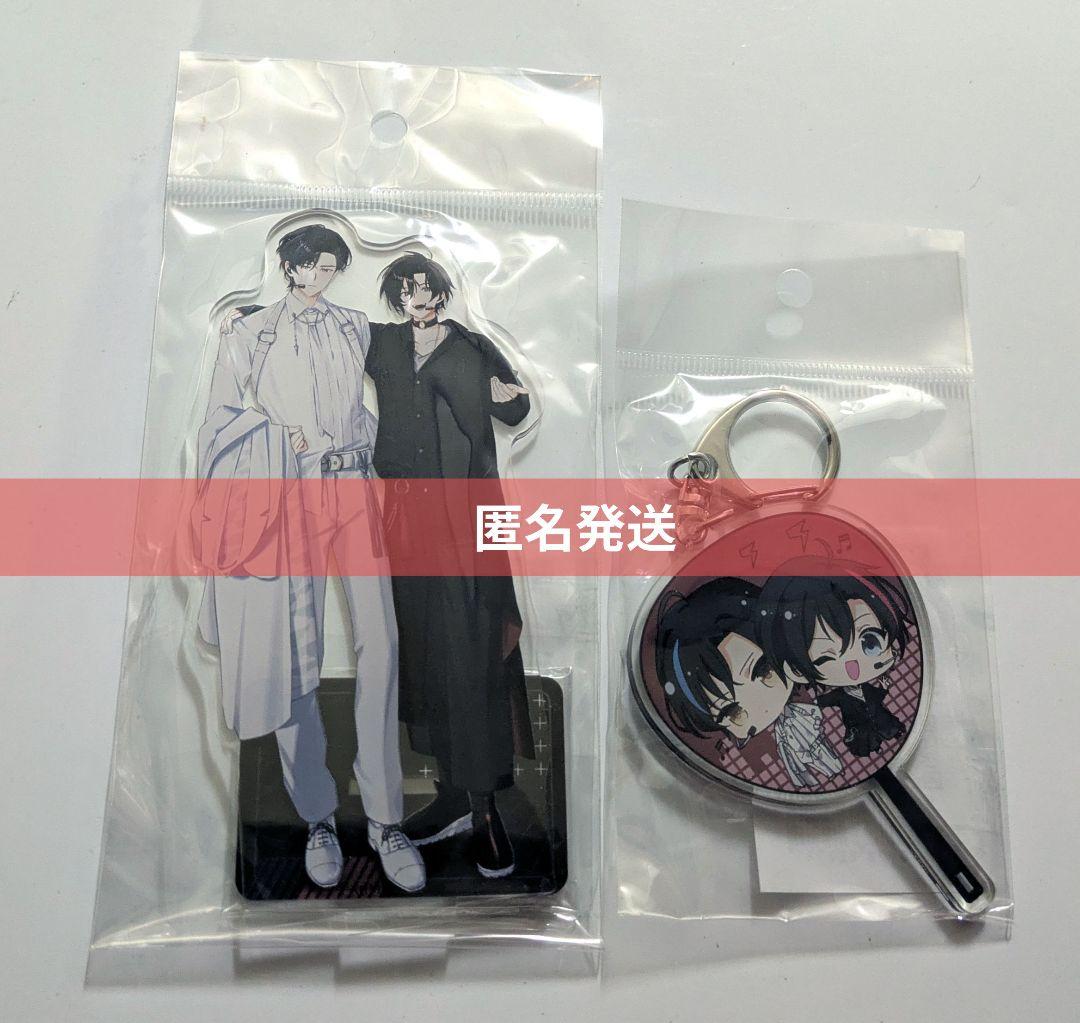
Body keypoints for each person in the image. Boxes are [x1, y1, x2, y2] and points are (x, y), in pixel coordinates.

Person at [199, 224, 425, 893]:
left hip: (355, 487)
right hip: (287, 495)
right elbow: (216, 421)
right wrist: (275, 433)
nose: (323, 278)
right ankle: (317, 816)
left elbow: (393, 383)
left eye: (332, 268)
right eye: (315, 267)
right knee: (296, 649)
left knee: (381, 641)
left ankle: (385, 817)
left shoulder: (354, 325)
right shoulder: (250, 332)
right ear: (291, 265)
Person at [365, 252, 534, 879]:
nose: (421, 296)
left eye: (429, 286)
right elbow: (320, 333)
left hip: (469, 520)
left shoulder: (472, 347)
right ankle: (451, 796)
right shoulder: (382, 344)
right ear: (396, 296)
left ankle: (485, 808)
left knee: (475, 652)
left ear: (442, 292)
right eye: (409, 288)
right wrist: (252, 319)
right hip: (406, 520)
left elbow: (515, 412)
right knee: (423, 653)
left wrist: (508, 396)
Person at [655, 578, 841, 787]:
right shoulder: (735, 764)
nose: (760, 705)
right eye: (733, 712)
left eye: (764, 671)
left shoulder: (830, 673)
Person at [756, 560, 913, 758]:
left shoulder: (867, 689)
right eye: (825, 659)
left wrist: (884, 686)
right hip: (861, 728)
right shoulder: (840, 695)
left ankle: (891, 736)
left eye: (870, 642)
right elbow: (822, 701)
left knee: (886, 728)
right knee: (867, 740)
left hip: (881, 722)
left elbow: (878, 696)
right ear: (796, 670)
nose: (853, 668)